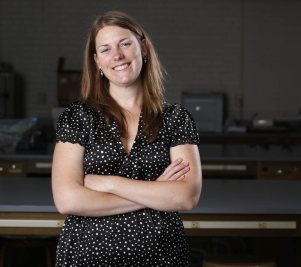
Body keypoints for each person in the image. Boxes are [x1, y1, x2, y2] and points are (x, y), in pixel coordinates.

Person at [51, 10, 202, 267]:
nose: (117, 56)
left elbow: (186, 196)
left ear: (143, 48)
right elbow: (67, 200)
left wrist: (108, 182)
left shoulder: (176, 118)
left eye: (125, 43)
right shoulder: (78, 117)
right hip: (88, 257)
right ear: (97, 61)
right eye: (106, 49)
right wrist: (155, 191)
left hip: (161, 256)